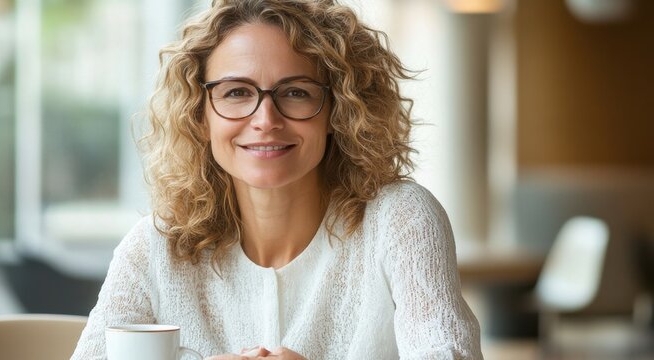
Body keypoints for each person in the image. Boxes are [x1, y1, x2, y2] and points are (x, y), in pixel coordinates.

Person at [71, 0, 482, 359]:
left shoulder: (400, 219)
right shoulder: (155, 247)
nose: (265, 120)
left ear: (338, 111)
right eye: (236, 93)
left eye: (296, 92)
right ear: (200, 115)